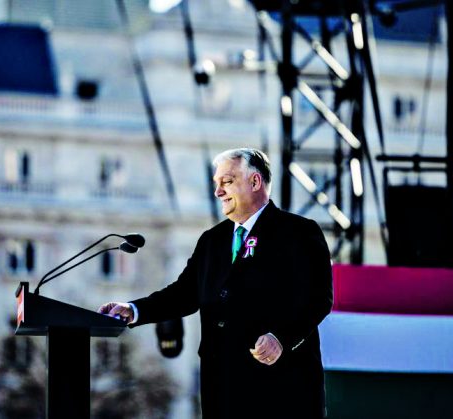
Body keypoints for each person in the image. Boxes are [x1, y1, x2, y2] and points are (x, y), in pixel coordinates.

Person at [99, 148, 333, 418]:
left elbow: (319, 299)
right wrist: (133, 309)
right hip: (222, 390)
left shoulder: (299, 232)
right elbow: (183, 294)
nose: (218, 192)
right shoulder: (212, 240)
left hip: (282, 390)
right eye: (216, 183)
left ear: (255, 182)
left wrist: (281, 338)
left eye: (227, 182)